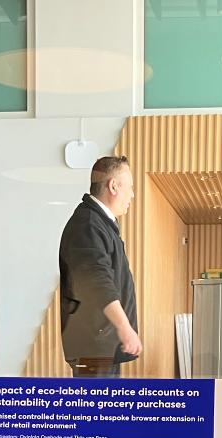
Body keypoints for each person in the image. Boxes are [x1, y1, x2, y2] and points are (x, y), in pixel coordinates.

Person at [58, 155, 142, 377]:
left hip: (101, 347)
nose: (132, 195)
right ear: (113, 186)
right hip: (94, 350)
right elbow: (97, 282)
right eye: (130, 187)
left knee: (103, 410)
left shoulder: (99, 224)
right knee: (95, 410)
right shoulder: (88, 225)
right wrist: (124, 328)